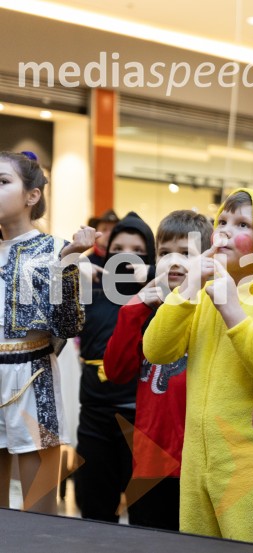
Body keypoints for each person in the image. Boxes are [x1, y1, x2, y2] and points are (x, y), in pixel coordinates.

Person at [142, 189, 253, 544]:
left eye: (242, 224)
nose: (225, 231)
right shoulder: (203, 291)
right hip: (197, 465)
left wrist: (234, 311)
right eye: (221, 222)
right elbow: (156, 351)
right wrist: (187, 290)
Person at [102, 210, 212, 530]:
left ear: (205, 259)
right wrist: (134, 310)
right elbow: (117, 371)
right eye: (165, 253)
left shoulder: (214, 308)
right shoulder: (147, 307)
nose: (174, 262)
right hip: (150, 459)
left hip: (198, 460)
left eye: (186, 253)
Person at [0, 151, 92, 514]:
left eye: (2, 182)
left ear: (31, 195)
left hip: (33, 378)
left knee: (40, 513)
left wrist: (67, 263)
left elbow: (68, 326)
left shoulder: (56, 249)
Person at [75, 211, 156, 523]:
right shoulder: (92, 289)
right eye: (120, 248)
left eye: (138, 251)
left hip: (142, 416)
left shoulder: (159, 294)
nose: (128, 257)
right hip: (94, 413)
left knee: (146, 512)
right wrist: (73, 264)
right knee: (94, 506)